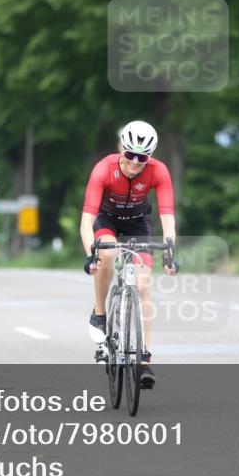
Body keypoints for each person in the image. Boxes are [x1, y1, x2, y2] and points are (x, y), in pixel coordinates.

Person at [80, 120, 177, 389]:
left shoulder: (159, 171)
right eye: (131, 155)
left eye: (142, 157)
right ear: (122, 148)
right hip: (106, 219)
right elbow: (86, 221)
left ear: (150, 156)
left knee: (144, 285)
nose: (135, 162)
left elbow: (168, 218)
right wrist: (92, 255)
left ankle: (144, 358)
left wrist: (169, 252)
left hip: (138, 223)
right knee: (107, 256)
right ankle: (100, 313)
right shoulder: (103, 169)